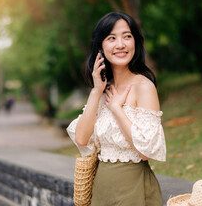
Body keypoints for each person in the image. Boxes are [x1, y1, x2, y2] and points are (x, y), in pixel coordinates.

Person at [67, 12, 166, 206]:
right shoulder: (103, 89)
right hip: (102, 190)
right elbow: (81, 138)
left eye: (127, 36)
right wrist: (96, 91)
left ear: (135, 43)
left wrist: (116, 110)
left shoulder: (143, 87)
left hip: (133, 189)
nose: (120, 44)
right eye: (111, 38)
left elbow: (146, 150)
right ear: (100, 47)